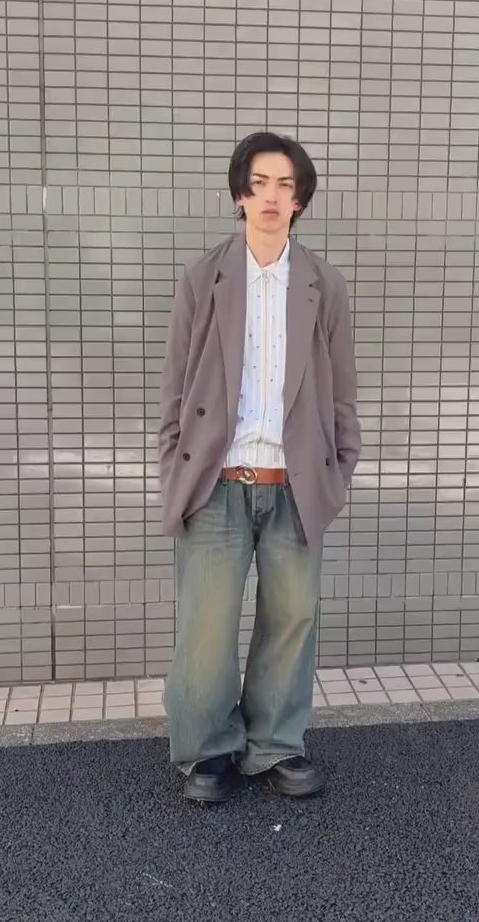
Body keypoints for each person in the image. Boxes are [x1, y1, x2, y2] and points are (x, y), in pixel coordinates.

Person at [158, 131, 361, 803]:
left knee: (293, 619)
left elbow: (342, 394)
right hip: (216, 484)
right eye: (260, 182)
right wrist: (176, 470)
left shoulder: (323, 284)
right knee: (206, 628)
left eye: (286, 184)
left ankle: (275, 743)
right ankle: (207, 749)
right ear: (239, 193)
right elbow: (175, 389)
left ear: (299, 199)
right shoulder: (204, 278)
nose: (272, 196)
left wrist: (337, 472)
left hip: (295, 486)